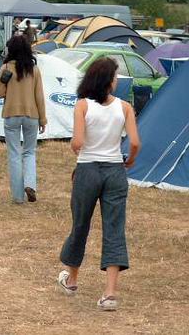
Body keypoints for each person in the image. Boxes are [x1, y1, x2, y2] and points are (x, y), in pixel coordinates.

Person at [57, 57, 140, 311]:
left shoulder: (82, 106)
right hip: (115, 170)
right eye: (115, 76)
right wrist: (129, 162)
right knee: (114, 228)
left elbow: (77, 143)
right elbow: (135, 143)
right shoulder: (125, 107)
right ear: (108, 80)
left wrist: (78, 150)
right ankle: (110, 293)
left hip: (88, 169)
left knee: (80, 223)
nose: (116, 80)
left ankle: (71, 280)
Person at [0, 36, 47, 204]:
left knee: (14, 154)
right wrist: (43, 119)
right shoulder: (34, 70)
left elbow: (0, 93)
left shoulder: (5, 68)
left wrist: (6, 81)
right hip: (32, 114)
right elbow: (39, 96)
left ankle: (18, 197)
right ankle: (30, 184)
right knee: (30, 152)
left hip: (11, 114)